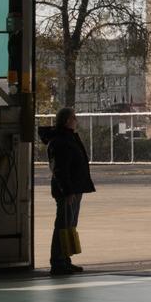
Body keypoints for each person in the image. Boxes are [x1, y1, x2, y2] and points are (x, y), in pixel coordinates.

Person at [45, 106, 96, 275]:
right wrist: (67, 191)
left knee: (69, 225)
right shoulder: (62, 141)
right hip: (68, 191)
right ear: (67, 121)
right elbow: (60, 169)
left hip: (74, 189)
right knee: (63, 225)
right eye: (74, 118)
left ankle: (64, 259)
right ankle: (58, 262)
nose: (76, 121)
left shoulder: (67, 138)